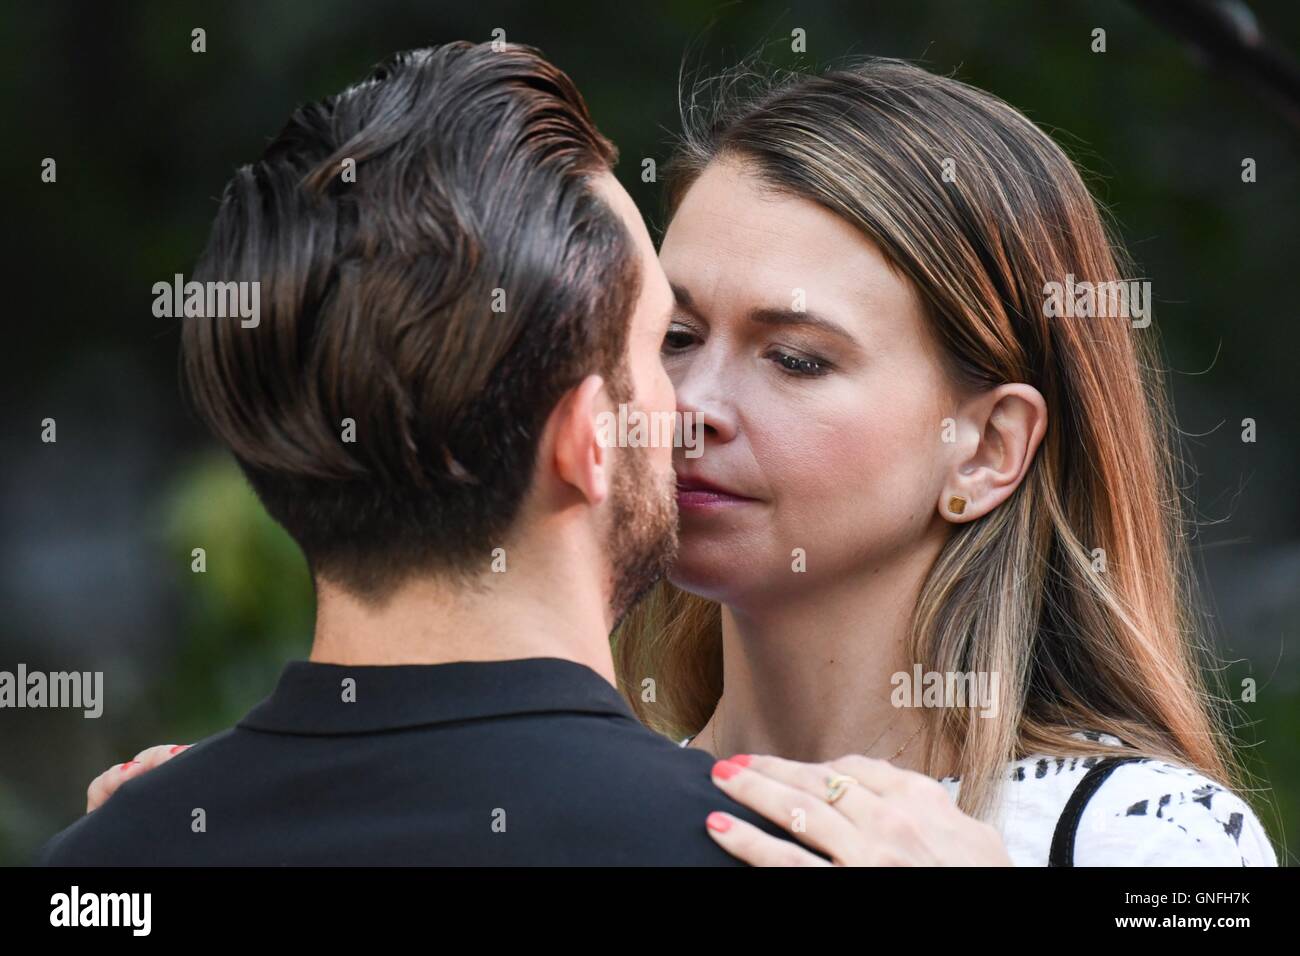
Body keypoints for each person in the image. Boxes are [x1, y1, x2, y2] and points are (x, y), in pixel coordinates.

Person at [37, 41, 823, 866]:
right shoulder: (768, 853)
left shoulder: (110, 861)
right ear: (589, 438)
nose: (686, 407)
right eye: (665, 342)